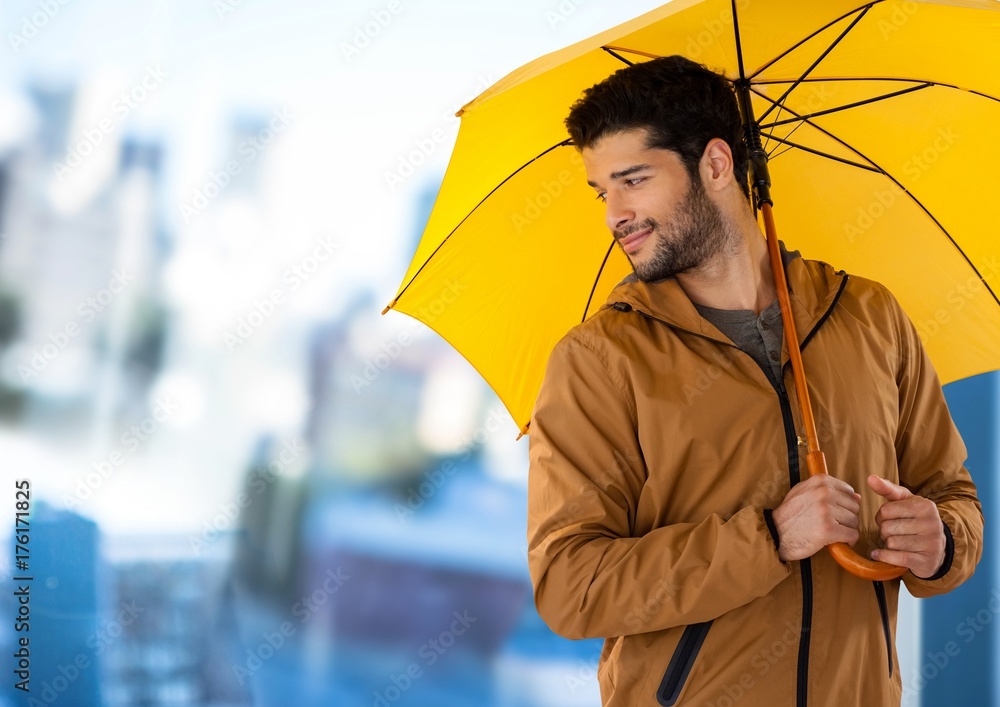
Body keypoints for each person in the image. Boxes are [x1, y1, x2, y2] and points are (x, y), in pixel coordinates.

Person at [526, 55, 983, 707]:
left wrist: (941, 541)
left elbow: (952, 491)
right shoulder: (600, 360)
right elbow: (572, 586)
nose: (615, 213)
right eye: (604, 191)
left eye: (633, 181)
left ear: (716, 165)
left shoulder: (871, 315)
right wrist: (768, 537)